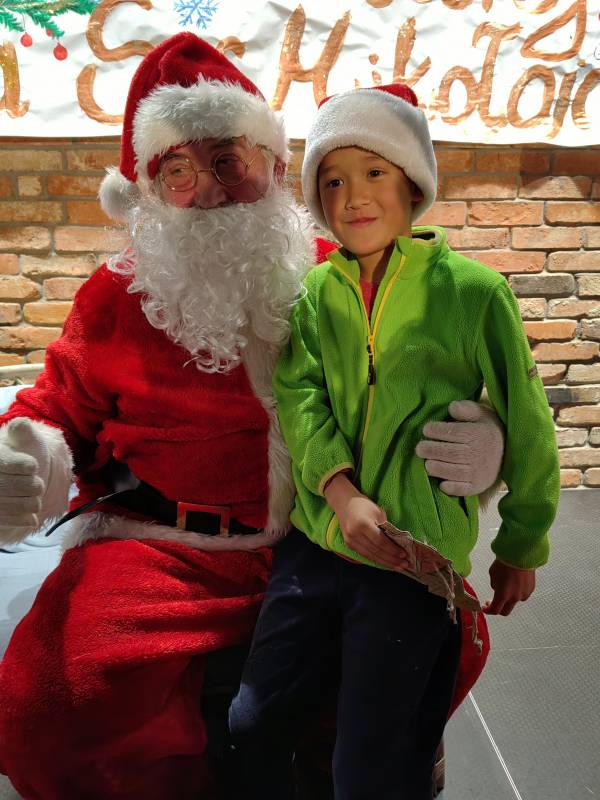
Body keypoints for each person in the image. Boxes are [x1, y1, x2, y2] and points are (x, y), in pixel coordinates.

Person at [0, 36, 504, 800]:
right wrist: (30, 456)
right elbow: (56, 404)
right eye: (177, 169)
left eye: (228, 160)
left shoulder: (345, 273)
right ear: (145, 188)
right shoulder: (114, 297)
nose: (208, 190)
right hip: (169, 547)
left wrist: (484, 439)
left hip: (323, 530)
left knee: (445, 627)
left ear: (272, 164)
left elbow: (439, 375)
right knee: (54, 700)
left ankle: (344, 761)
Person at [229, 82, 560, 800]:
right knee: (253, 722)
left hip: (411, 557)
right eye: (333, 180)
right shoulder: (315, 293)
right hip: (317, 542)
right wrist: (339, 494)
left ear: (411, 181)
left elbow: (527, 419)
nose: (353, 196)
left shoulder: (472, 293)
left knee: (373, 763)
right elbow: (300, 397)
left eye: (373, 171)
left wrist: (521, 544)